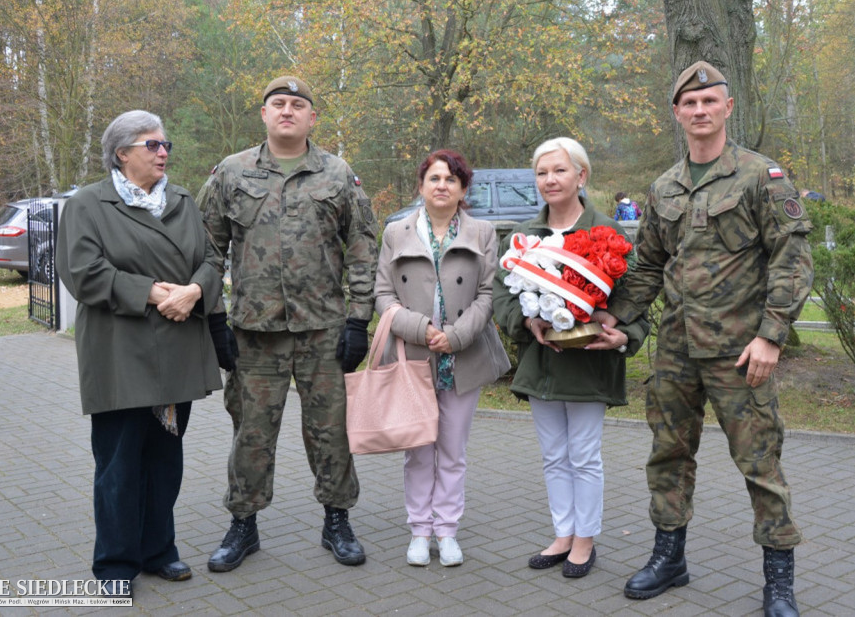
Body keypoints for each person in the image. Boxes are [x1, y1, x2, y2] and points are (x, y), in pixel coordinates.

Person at [615, 62, 813, 617]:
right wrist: (616, 321)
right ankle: (669, 558)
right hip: (676, 352)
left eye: (710, 101)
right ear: (677, 113)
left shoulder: (761, 177)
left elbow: (792, 261)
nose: (699, 111)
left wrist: (772, 336)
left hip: (740, 352)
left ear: (728, 107)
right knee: (668, 456)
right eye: (689, 103)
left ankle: (779, 582)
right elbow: (648, 267)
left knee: (761, 465)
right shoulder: (663, 188)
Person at [202, 75, 379, 570]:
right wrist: (215, 319)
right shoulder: (232, 174)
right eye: (277, 103)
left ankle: (337, 521)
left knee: (330, 431)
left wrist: (358, 320)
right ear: (263, 114)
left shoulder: (338, 173)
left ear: (311, 118)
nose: (287, 110)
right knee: (251, 432)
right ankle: (243, 525)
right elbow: (205, 250)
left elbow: (363, 249)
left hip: (323, 330)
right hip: (255, 333)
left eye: (297, 104)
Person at [55, 110, 223, 595]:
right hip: (120, 355)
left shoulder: (184, 200)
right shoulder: (89, 203)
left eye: (165, 143)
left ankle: (158, 550)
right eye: (152, 145)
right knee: (119, 465)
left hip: (177, 350)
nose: (163, 152)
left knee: (165, 460)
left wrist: (193, 292)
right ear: (121, 152)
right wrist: (153, 293)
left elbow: (212, 259)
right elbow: (82, 271)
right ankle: (115, 564)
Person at [492, 137, 649, 579]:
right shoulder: (523, 237)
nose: (550, 180)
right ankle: (562, 534)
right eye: (542, 173)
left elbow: (637, 302)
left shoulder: (610, 235)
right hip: (542, 364)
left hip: (588, 363)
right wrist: (526, 323)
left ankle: (585, 539)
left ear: (581, 176)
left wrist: (622, 335)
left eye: (559, 170)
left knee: (583, 455)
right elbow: (502, 295)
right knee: (553, 456)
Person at [374, 149, 511, 568]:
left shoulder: (483, 232)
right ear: (421, 186)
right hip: (412, 356)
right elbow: (382, 294)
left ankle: (447, 530)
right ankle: (419, 530)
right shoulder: (396, 232)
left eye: (451, 180)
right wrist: (420, 329)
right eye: (434, 178)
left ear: (463, 188)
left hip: (460, 357)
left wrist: (455, 336)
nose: (442, 186)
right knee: (417, 450)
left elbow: (488, 294)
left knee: (452, 450)